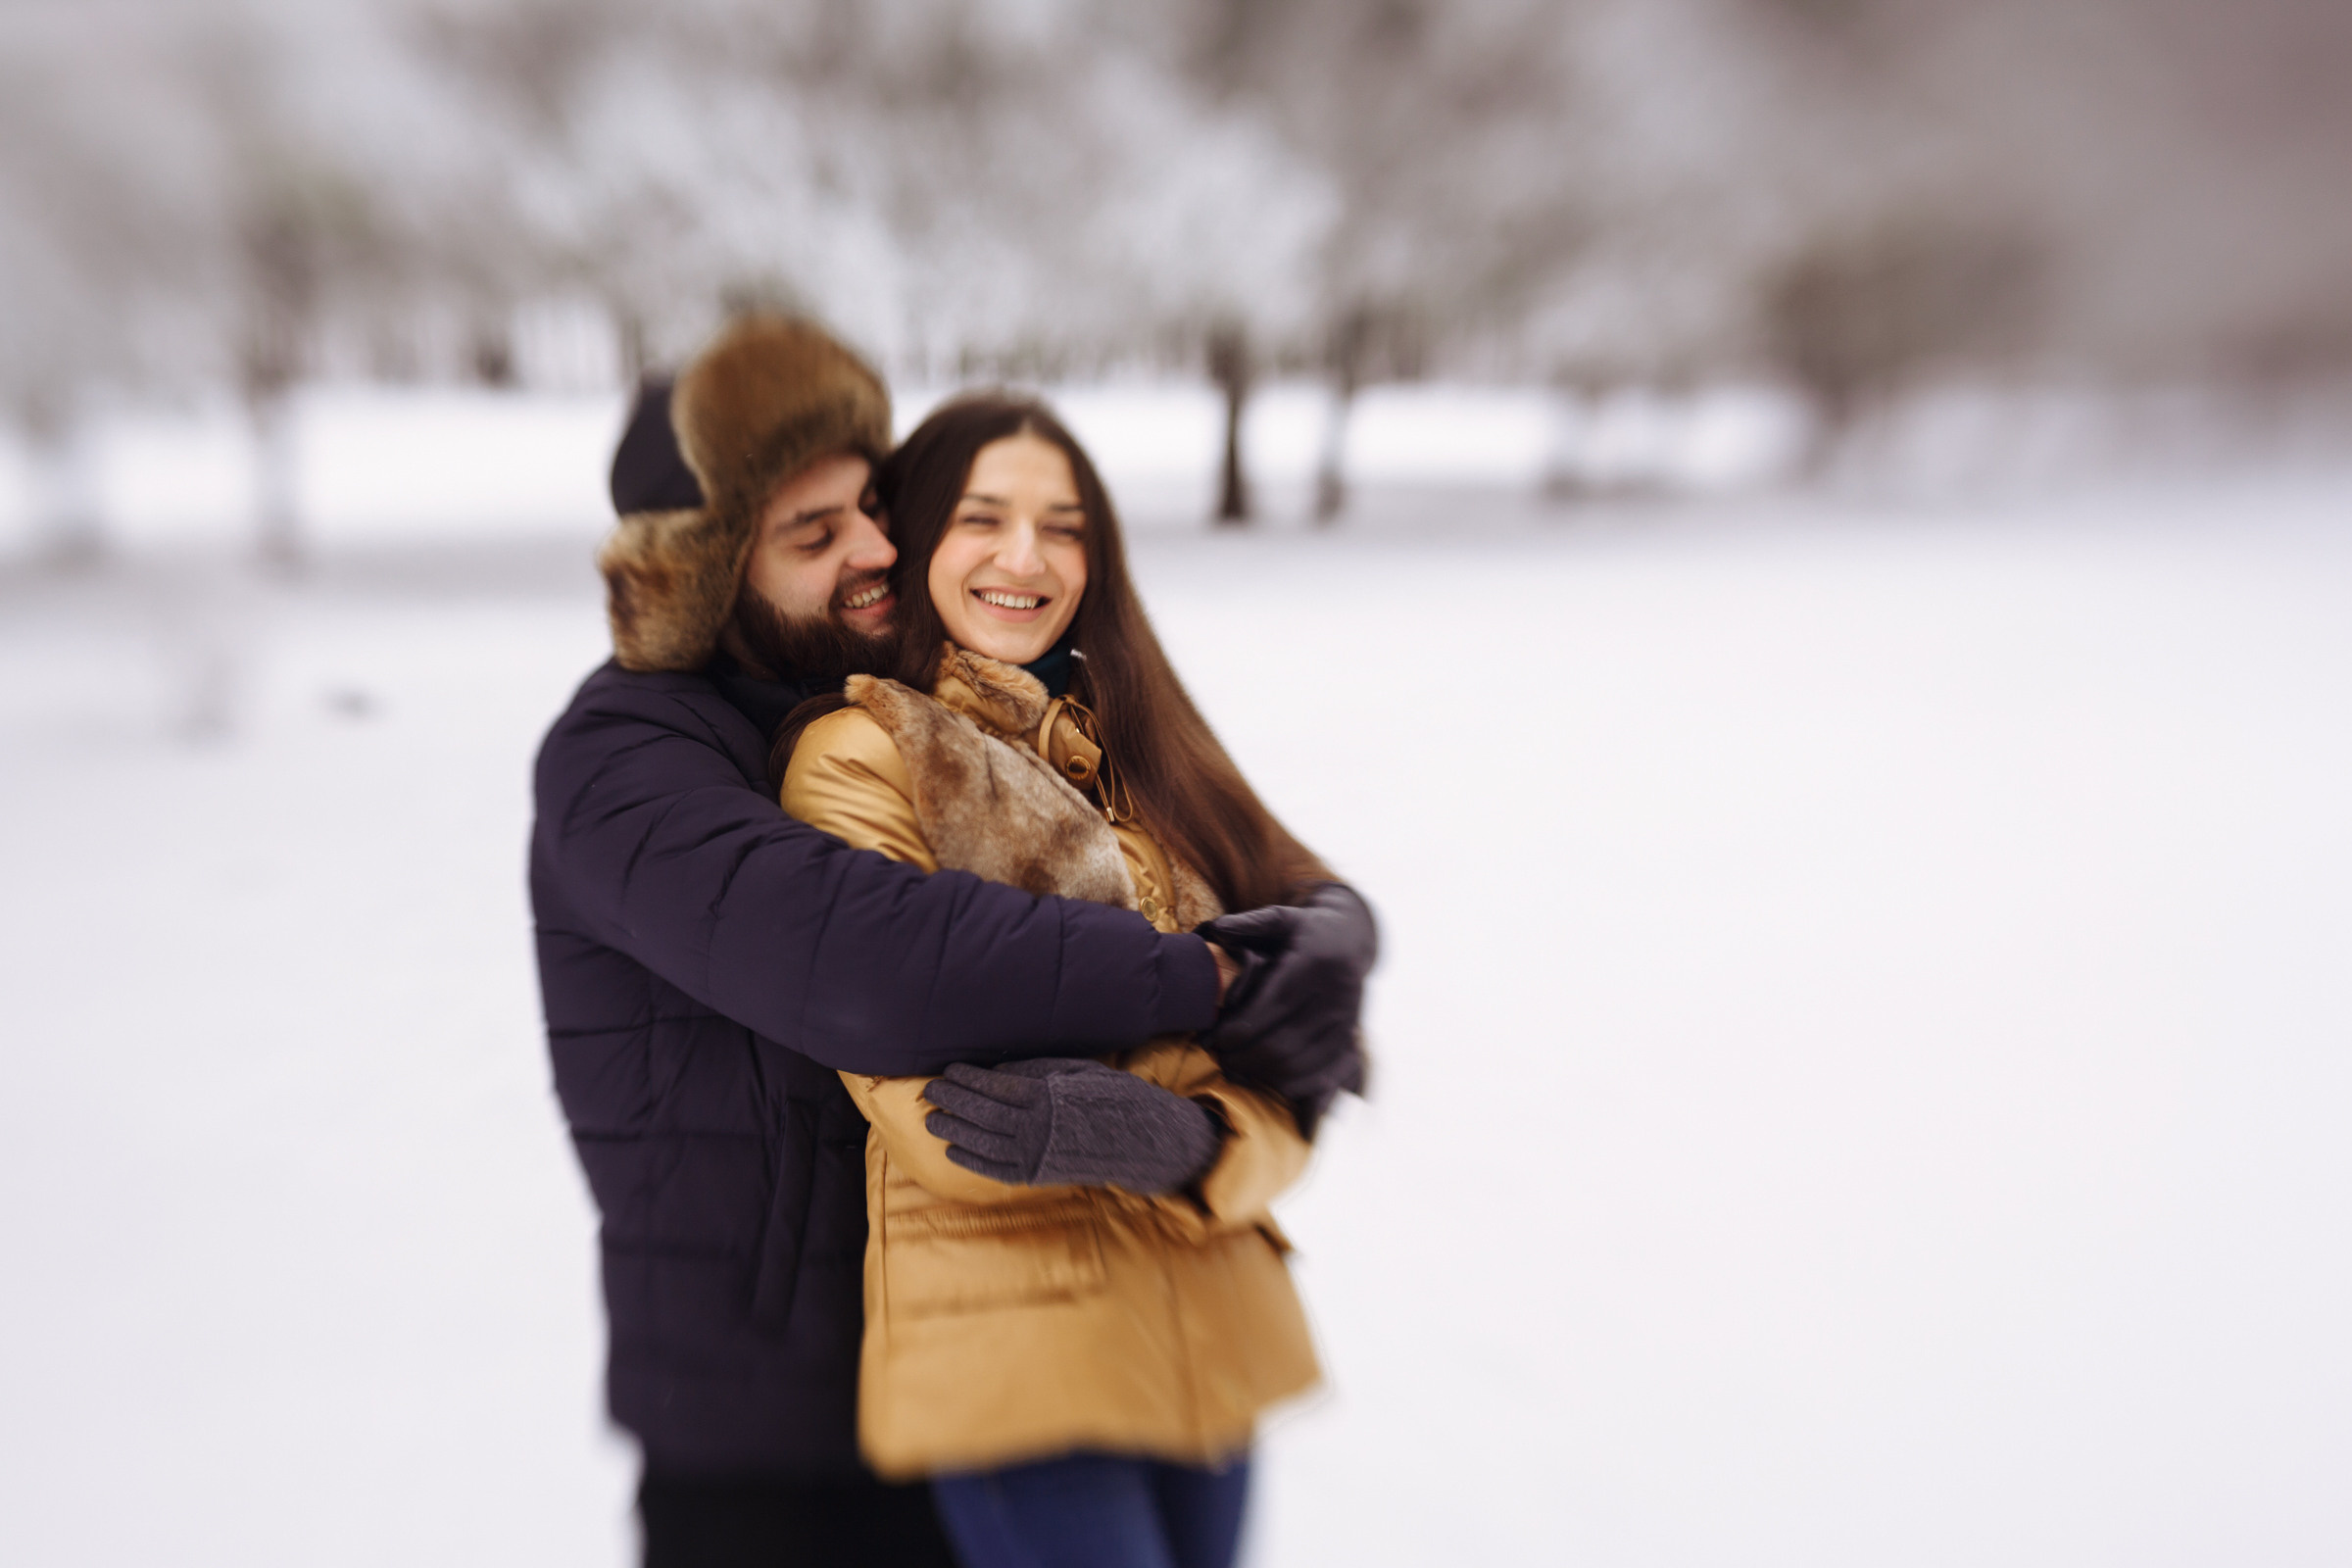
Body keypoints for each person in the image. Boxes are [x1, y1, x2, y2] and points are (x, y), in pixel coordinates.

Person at [529, 316, 1374, 1567]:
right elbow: (873, 960)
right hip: (763, 1443)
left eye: (872, 506)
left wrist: (1336, 932)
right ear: (705, 572)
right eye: (814, 535)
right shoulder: (623, 763)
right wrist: (1207, 979)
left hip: (947, 1384)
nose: (876, 549)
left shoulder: (921, 708)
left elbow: (1237, 863)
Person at [776, 391, 1373, 1568]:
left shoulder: (1137, 754)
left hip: (1205, 1319)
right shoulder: (861, 756)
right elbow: (924, 1094)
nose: (1024, 557)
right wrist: (1143, 1117)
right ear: (918, 537)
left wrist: (1189, 1145)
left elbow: (1287, 1060)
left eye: (1064, 526)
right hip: (1015, 1345)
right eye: (984, 517)